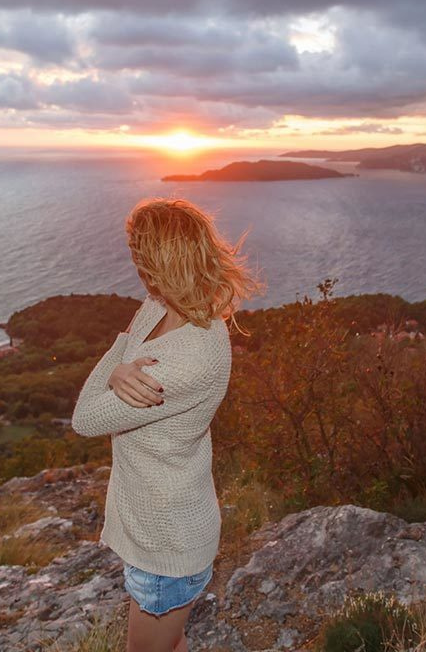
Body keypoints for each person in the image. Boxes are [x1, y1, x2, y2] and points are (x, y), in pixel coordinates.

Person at [72, 196, 264, 651]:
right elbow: (123, 359)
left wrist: (118, 364)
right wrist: (121, 367)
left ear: (157, 264)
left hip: (167, 548)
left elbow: (84, 418)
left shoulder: (188, 358)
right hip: (157, 527)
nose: (135, 264)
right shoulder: (159, 305)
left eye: (139, 254)